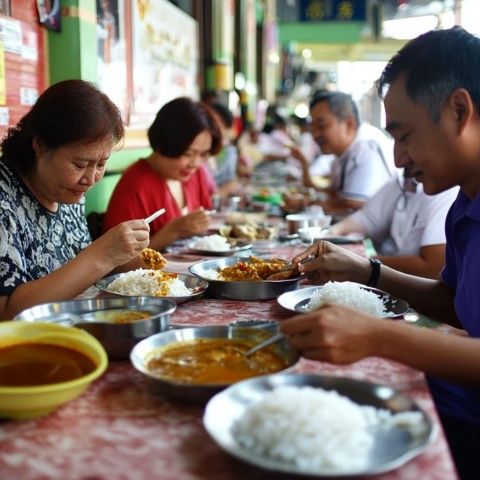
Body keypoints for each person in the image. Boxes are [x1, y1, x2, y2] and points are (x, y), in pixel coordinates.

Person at [279, 27, 480, 480]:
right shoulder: (464, 201)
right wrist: (367, 270)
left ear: (459, 111)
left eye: (404, 135)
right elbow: (456, 302)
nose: (400, 158)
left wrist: (379, 336)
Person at [0, 79, 150, 319]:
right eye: (80, 164)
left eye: (101, 164)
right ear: (40, 145)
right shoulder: (4, 199)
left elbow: (76, 272)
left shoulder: (69, 192)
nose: (91, 178)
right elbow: (7, 314)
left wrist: (123, 257)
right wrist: (101, 255)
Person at [102, 97, 222, 251]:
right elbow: (117, 262)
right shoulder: (136, 184)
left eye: (204, 154)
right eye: (187, 153)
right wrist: (173, 231)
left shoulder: (194, 175)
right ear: (162, 144)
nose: (195, 163)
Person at [328, 167, 458, 279]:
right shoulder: (402, 178)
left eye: (405, 139)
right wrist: (332, 232)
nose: (397, 161)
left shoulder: (447, 190)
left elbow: (434, 268)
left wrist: (364, 261)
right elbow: (367, 218)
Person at [284, 91, 396, 213]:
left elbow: (352, 207)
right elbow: (334, 194)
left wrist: (304, 203)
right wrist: (304, 163)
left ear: (349, 124)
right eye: (312, 127)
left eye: (321, 126)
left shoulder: (365, 149)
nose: (315, 135)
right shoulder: (340, 156)